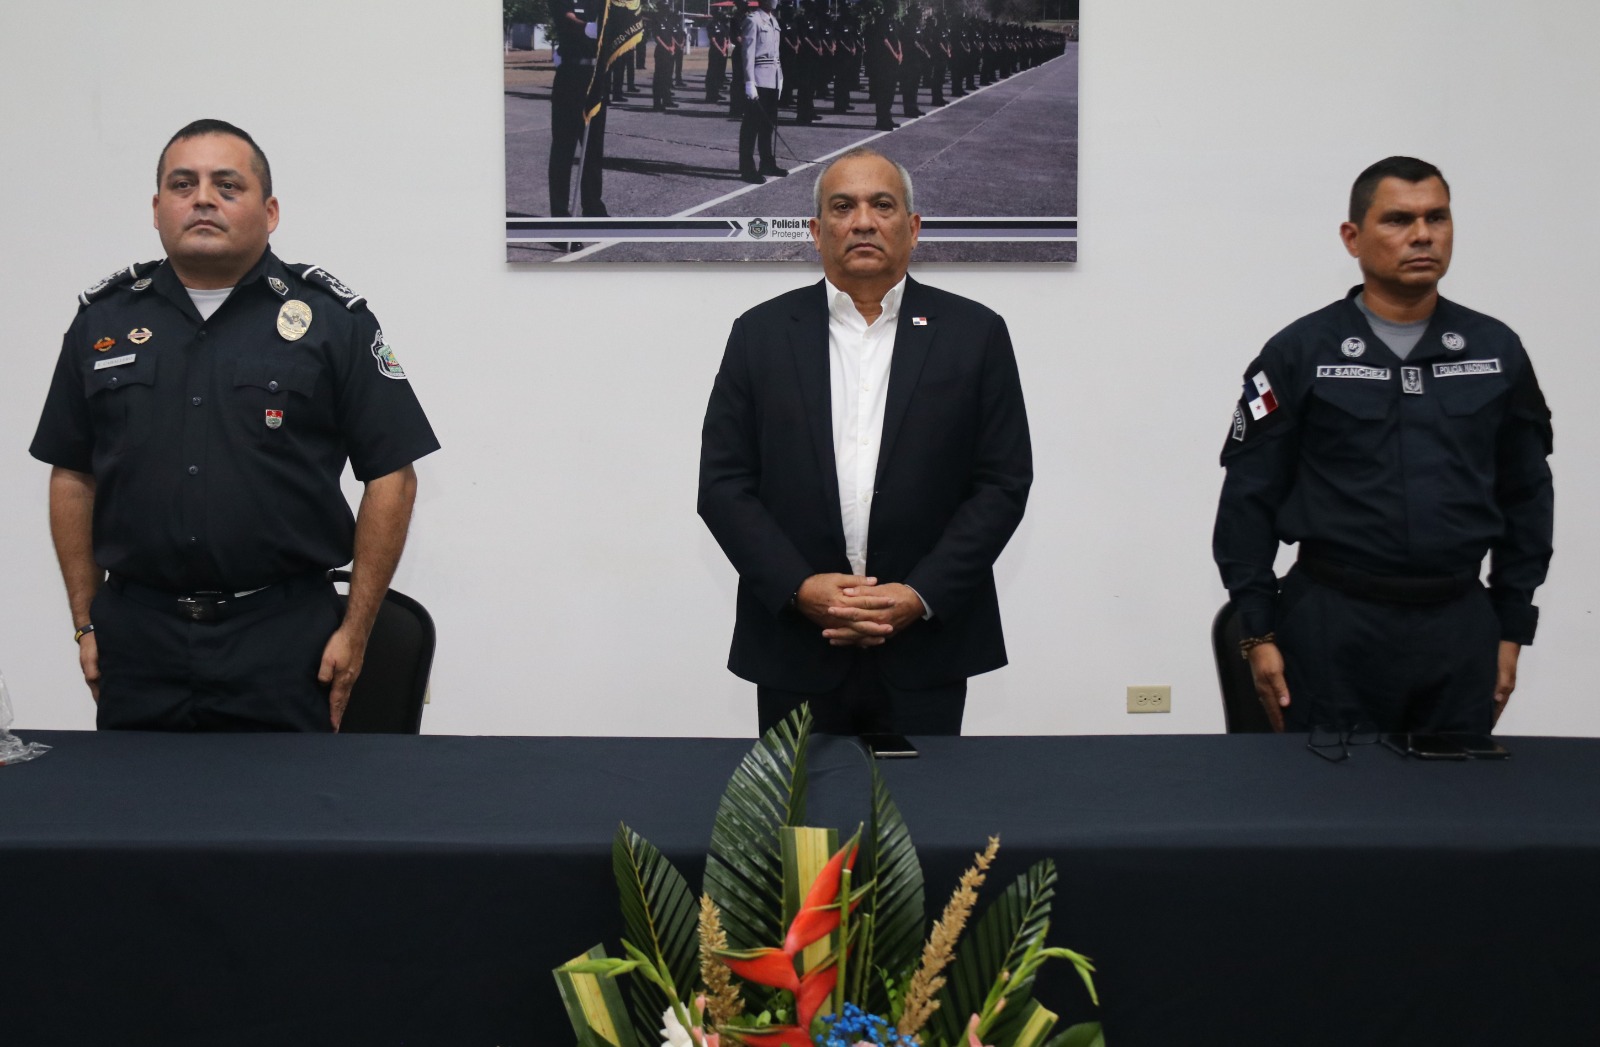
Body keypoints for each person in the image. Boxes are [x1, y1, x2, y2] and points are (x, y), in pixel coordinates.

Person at [29, 119, 440, 732]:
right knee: (133, 797)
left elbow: (393, 477)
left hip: (285, 640)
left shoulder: (332, 321)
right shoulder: (103, 322)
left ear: (269, 212)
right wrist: (86, 623)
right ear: (157, 209)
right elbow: (71, 475)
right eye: (182, 184)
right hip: (138, 641)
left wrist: (356, 629)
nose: (202, 199)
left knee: (284, 798)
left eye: (227, 185)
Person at [1213, 156, 1554, 735]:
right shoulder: (1299, 352)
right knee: (1326, 791)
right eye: (1398, 220)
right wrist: (1257, 631)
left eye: (1437, 218)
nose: (1422, 235)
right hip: (1331, 623)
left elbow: (1528, 497)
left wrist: (1511, 627)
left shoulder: (1496, 351)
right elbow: (1249, 498)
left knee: (1455, 791)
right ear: (1353, 237)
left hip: (1459, 625)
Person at [698, 148, 1033, 736]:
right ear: (815, 231)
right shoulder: (759, 334)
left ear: (913, 227)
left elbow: (1002, 483)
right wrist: (799, 588)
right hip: (795, 645)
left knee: (925, 799)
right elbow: (724, 484)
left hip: (926, 646)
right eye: (842, 207)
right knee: (800, 800)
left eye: (882, 205)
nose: (862, 222)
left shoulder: (975, 333)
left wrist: (919, 594)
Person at [548, 0, 610, 217]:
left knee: (593, 147)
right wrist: (589, 28)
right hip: (570, 75)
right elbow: (567, 18)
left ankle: (593, 208)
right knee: (563, 148)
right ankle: (560, 214)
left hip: (595, 76)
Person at [738, 0, 785, 183]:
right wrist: (749, 82)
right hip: (758, 80)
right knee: (751, 128)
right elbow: (747, 53)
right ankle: (747, 169)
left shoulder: (774, 21)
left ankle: (767, 163)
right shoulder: (753, 20)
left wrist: (780, 77)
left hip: (772, 79)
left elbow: (776, 54)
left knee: (768, 126)